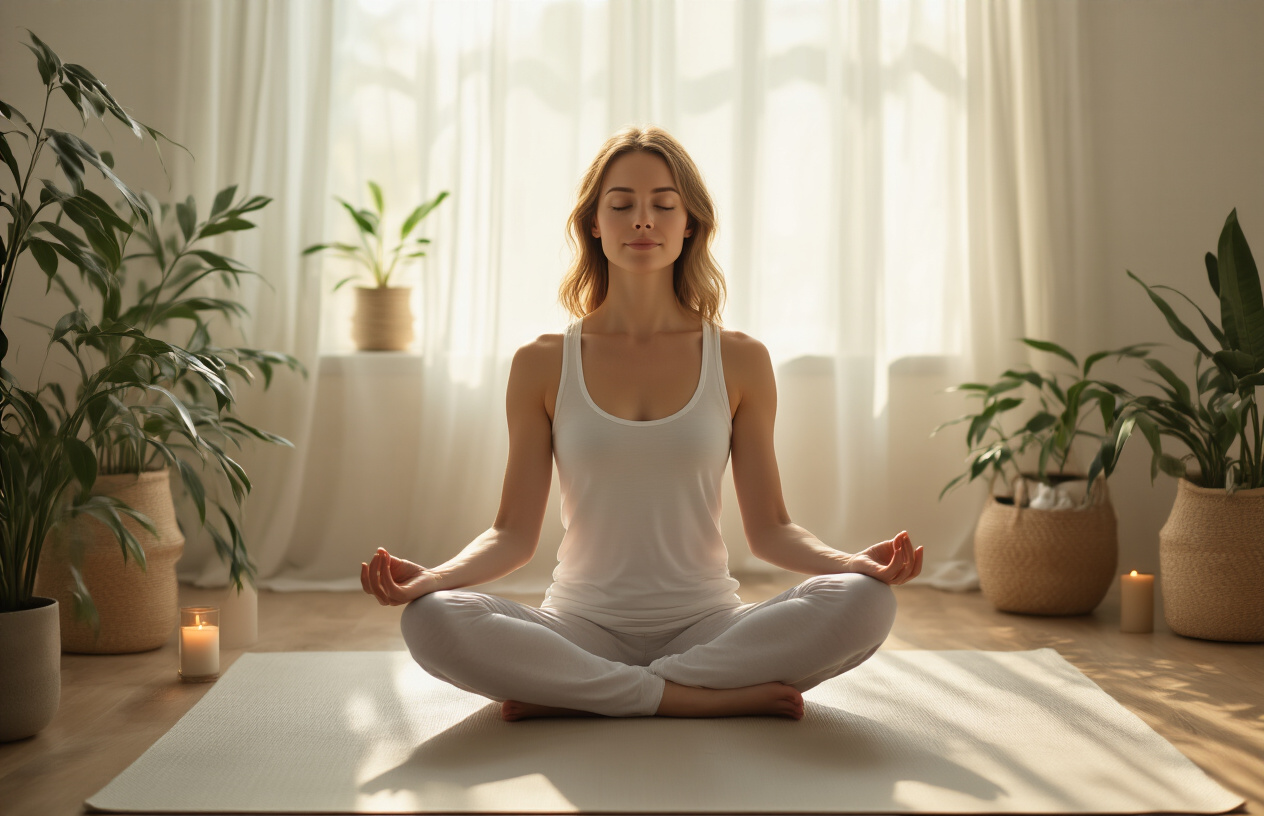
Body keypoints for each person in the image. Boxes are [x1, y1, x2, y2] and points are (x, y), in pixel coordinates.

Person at [361, 125, 923, 722]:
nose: (643, 221)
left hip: (709, 628)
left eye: (663, 204)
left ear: (690, 225)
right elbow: (512, 535)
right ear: (594, 225)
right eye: (622, 204)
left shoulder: (740, 359)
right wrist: (435, 578)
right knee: (431, 618)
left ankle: (584, 692)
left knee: (866, 603)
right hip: (578, 627)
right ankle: (683, 699)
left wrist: (852, 564)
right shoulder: (541, 362)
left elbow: (773, 529)